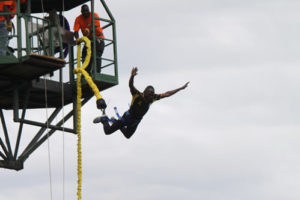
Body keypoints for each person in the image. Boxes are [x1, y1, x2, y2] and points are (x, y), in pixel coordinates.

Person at [93, 67, 189, 139]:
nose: (152, 94)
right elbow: (130, 85)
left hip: (135, 122)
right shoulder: (137, 95)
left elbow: (167, 94)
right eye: (150, 92)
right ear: (145, 92)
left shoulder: (153, 98)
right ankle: (104, 119)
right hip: (127, 118)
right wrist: (132, 76)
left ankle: (115, 122)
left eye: (153, 93)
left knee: (127, 135)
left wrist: (181, 88)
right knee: (108, 131)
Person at [73, 4, 105, 73]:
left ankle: (96, 73)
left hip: (98, 39)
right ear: (81, 12)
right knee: (85, 54)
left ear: (89, 10)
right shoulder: (78, 19)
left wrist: (88, 31)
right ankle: (85, 73)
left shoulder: (94, 15)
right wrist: (77, 39)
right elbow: (75, 31)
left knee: (96, 55)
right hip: (89, 41)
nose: (85, 12)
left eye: (86, 11)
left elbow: (94, 27)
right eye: (83, 11)